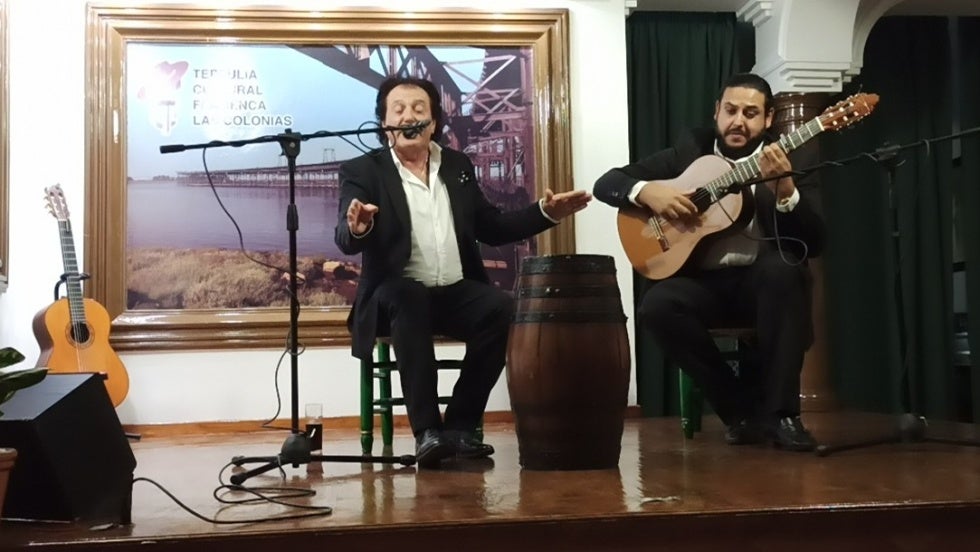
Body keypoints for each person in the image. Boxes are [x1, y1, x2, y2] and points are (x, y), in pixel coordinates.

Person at [335, 76, 591, 468]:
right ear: (384, 123)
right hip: (394, 297)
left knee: (503, 309)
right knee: (409, 295)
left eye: (419, 109)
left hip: (452, 292)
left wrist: (546, 212)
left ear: (434, 122)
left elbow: (491, 226)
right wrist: (359, 226)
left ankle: (458, 428)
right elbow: (346, 237)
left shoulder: (457, 166)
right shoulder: (363, 170)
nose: (409, 116)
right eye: (398, 110)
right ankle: (427, 433)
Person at [593, 73, 826, 452]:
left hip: (762, 285)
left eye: (751, 113)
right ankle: (739, 412)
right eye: (730, 110)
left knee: (784, 269)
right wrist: (648, 192)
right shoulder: (688, 153)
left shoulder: (792, 158)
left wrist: (786, 191)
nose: (738, 121)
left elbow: (814, 243)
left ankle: (783, 416)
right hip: (703, 286)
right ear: (716, 111)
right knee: (657, 306)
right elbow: (607, 183)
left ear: (768, 118)